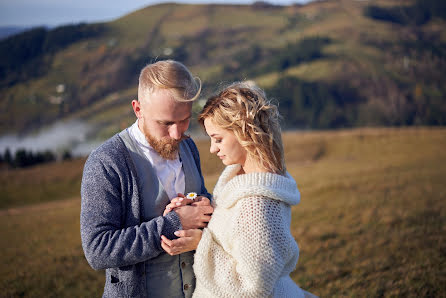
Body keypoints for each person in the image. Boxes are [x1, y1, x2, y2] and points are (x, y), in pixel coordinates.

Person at [162, 82, 314, 297]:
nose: (213, 149)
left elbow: (251, 288)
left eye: (218, 139)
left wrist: (200, 243)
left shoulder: (256, 205)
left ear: (244, 131)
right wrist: (206, 210)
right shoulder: (241, 177)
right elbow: (235, 235)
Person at [80, 60, 213, 298]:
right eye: (165, 123)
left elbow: (201, 199)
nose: (176, 133)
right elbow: (97, 249)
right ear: (138, 109)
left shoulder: (189, 146)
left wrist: (205, 206)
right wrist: (174, 224)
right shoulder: (106, 162)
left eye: (184, 119)